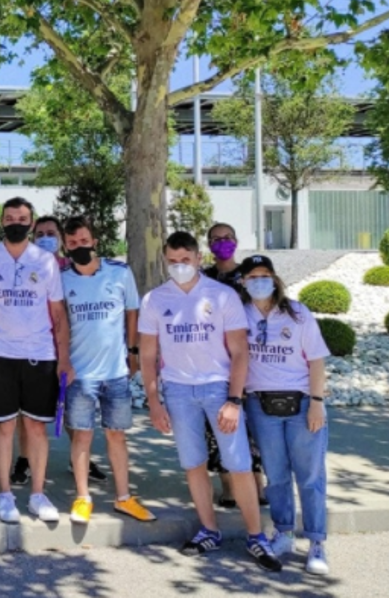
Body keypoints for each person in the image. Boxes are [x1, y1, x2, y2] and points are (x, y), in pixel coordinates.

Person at [138, 231, 282, 572]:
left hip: (218, 389)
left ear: (198, 259)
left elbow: (239, 351)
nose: (179, 267)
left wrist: (234, 399)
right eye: (172, 262)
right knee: (193, 463)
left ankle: (255, 536)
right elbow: (147, 356)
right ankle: (209, 530)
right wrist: (154, 402)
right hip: (177, 391)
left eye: (185, 261)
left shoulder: (222, 295)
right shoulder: (154, 300)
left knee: (239, 464)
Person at [0, 197, 74, 524]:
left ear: (31, 223)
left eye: (23, 217)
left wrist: (63, 358)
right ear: (1, 221)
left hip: (39, 355)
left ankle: (38, 495)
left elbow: (58, 313)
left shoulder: (46, 261)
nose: (16, 221)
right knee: (3, 428)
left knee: (36, 428)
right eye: (10, 217)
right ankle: (4, 495)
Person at [57, 216, 155, 524]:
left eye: (84, 241)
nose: (79, 247)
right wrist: (64, 364)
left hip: (115, 372)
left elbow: (132, 313)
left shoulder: (119, 272)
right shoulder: (61, 279)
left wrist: (133, 353)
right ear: (65, 246)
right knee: (82, 437)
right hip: (80, 374)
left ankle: (124, 498)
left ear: (94, 241)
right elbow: (59, 325)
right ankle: (83, 498)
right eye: (72, 243)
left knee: (116, 436)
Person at [239, 254, 331, 575]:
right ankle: (284, 532)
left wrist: (317, 401)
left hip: (302, 404)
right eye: (252, 276)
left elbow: (317, 360)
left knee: (310, 475)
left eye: (265, 275)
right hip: (261, 405)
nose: (259, 281)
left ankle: (317, 541)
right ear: (243, 282)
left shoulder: (297, 313)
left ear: (275, 278)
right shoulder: (240, 315)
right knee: (276, 475)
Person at [9, 216, 107, 488]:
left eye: (51, 233)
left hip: (67, 350)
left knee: (70, 408)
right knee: (25, 411)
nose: (45, 238)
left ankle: (80, 459)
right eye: (39, 233)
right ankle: (25, 460)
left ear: (62, 239)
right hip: (33, 349)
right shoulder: (24, 266)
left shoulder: (70, 269)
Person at [203, 223, 267, 507]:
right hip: (214, 360)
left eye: (227, 237)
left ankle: (257, 484)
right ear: (208, 245)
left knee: (252, 423)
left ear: (237, 241)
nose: (222, 243)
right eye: (216, 239)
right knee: (218, 424)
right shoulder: (203, 278)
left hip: (249, 357)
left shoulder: (249, 276)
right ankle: (228, 486)